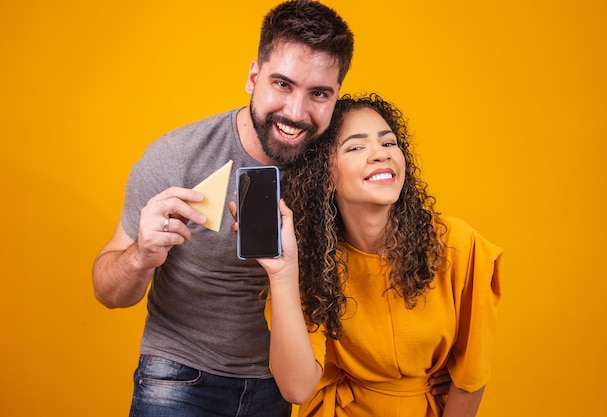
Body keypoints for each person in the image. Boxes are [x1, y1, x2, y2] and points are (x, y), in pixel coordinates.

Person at [91, 1, 354, 416]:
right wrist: (141, 254)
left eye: (318, 93)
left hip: (278, 382)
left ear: (336, 97)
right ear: (253, 77)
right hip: (179, 374)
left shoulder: (335, 164)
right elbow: (108, 292)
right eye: (282, 84)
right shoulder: (178, 156)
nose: (296, 112)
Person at [255, 93, 503, 416]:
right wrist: (283, 272)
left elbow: (470, 378)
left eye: (388, 144)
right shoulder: (310, 258)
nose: (380, 155)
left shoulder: (459, 246)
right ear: (326, 175)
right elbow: (297, 387)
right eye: (356, 147)